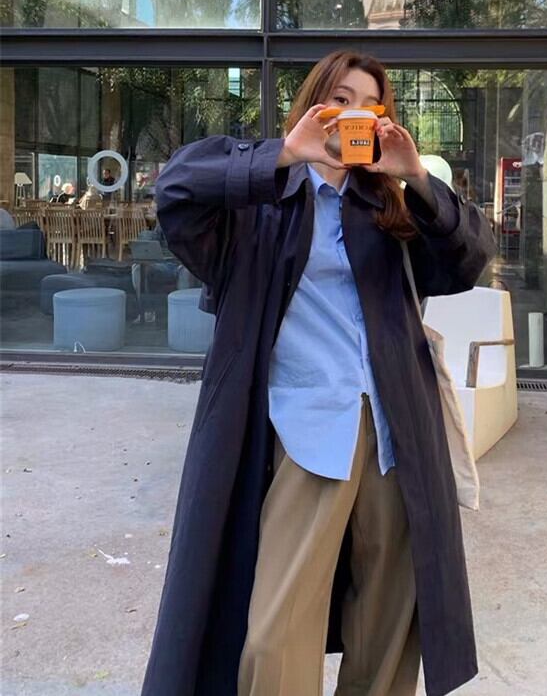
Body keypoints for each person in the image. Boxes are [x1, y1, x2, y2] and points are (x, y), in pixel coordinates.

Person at [141, 50, 495, 696]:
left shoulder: (387, 206)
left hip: (395, 429)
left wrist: (415, 175)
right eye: (340, 98)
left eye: (369, 104)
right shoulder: (260, 204)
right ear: (312, 106)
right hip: (308, 427)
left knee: (389, 621)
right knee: (273, 634)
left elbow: (469, 258)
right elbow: (175, 191)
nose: (354, 113)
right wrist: (283, 154)